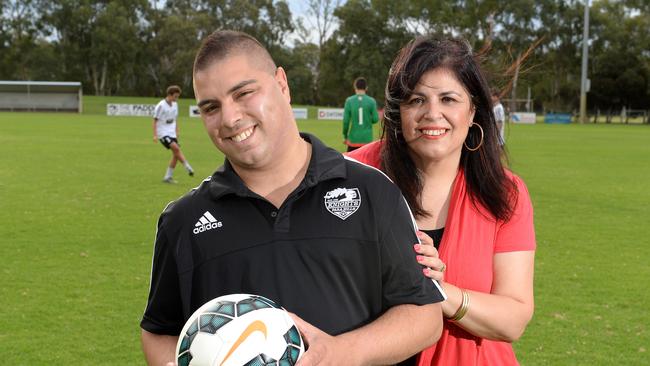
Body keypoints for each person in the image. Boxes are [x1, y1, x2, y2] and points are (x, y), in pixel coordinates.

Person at [140, 30, 445, 366]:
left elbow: (424, 316)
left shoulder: (374, 191)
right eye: (211, 107)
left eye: (243, 93)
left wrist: (343, 352)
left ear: (281, 84)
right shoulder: (182, 221)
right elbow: (160, 330)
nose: (229, 119)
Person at [347, 36, 536, 365]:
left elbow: (514, 317)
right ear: (398, 111)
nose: (432, 114)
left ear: (472, 109)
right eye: (416, 100)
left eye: (448, 99)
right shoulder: (353, 176)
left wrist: (440, 290)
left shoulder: (505, 192)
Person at [153, 85, 194, 183]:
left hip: (172, 132)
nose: (177, 99)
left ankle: (168, 177)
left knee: (176, 154)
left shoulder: (175, 104)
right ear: (169, 95)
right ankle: (188, 167)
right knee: (176, 148)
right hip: (162, 133)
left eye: (177, 96)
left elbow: (175, 119)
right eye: (175, 96)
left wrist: (177, 130)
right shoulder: (161, 105)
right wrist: (155, 135)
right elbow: (154, 120)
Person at [342, 77, 380, 152]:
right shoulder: (371, 101)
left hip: (353, 139)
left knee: (351, 163)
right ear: (366, 88)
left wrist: (345, 136)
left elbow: (346, 121)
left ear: (355, 87)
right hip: (367, 140)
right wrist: (368, 119)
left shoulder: (349, 101)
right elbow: (376, 119)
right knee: (366, 163)